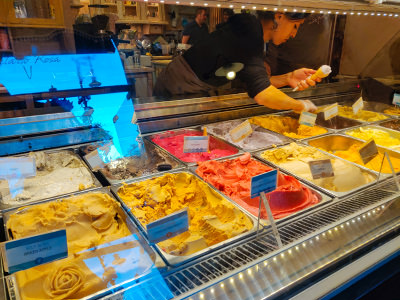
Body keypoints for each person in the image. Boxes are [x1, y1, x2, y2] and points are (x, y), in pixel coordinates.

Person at [154, 12, 319, 112]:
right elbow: (262, 95)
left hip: (192, 86)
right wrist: (300, 105)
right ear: (279, 17)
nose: (293, 35)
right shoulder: (251, 31)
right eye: (295, 26)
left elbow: (258, 83)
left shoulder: (254, 32)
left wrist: (288, 78)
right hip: (178, 86)